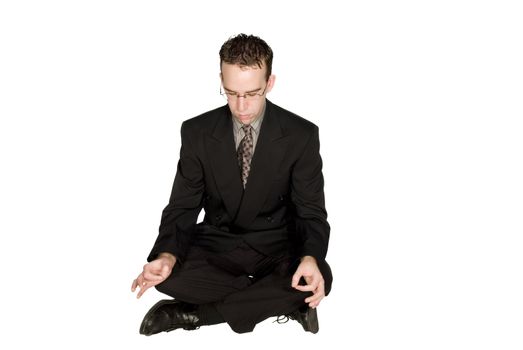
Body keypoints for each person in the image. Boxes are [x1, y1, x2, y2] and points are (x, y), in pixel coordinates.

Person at [131, 33, 333, 335]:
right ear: (221, 81)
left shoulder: (301, 134)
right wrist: (166, 256)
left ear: (270, 83)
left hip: (276, 247)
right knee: (168, 277)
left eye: (252, 93)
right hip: (218, 245)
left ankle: (195, 315)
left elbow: (311, 211)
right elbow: (183, 206)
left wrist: (309, 258)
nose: (241, 106)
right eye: (231, 93)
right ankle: (277, 302)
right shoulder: (197, 131)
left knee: (317, 276)